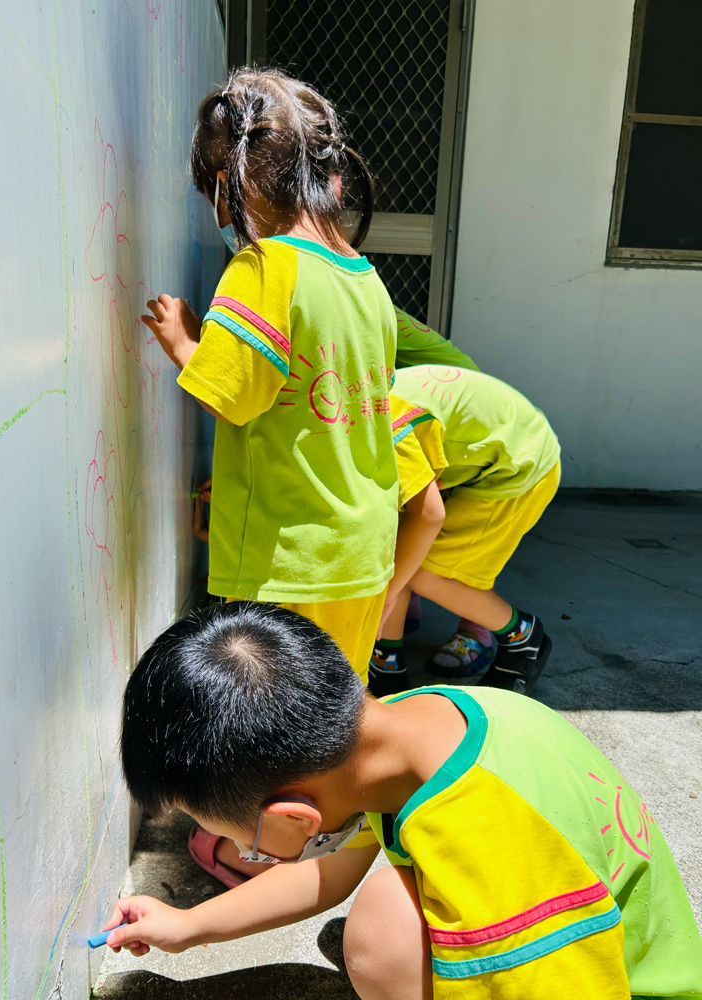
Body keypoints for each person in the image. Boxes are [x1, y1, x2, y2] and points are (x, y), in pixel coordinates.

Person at [101, 603, 702, 1000]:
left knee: (380, 932)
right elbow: (327, 873)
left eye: (233, 837)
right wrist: (187, 926)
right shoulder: (404, 730)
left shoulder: (492, 855)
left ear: (296, 819)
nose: (231, 849)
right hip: (592, 949)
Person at [140, 66, 399, 682]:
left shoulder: (262, 266)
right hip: (363, 549)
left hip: (291, 561)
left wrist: (184, 342)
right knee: (335, 707)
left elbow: (230, 397)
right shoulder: (366, 278)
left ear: (230, 182)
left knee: (276, 718)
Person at [369, 364, 561, 697]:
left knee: (427, 575)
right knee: (396, 549)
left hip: (519, 463)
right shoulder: (363, 403)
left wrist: (388, 593)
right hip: (501, 441)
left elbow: (429, 515)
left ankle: (523, 638)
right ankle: (387, 663)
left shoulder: (383, 427)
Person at [392, 309, 494, 677]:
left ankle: (477, 630)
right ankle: (405, 606)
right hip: (428, 411)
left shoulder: (351, 297)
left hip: (459, 422)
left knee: (469, 544)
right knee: (405, 517)